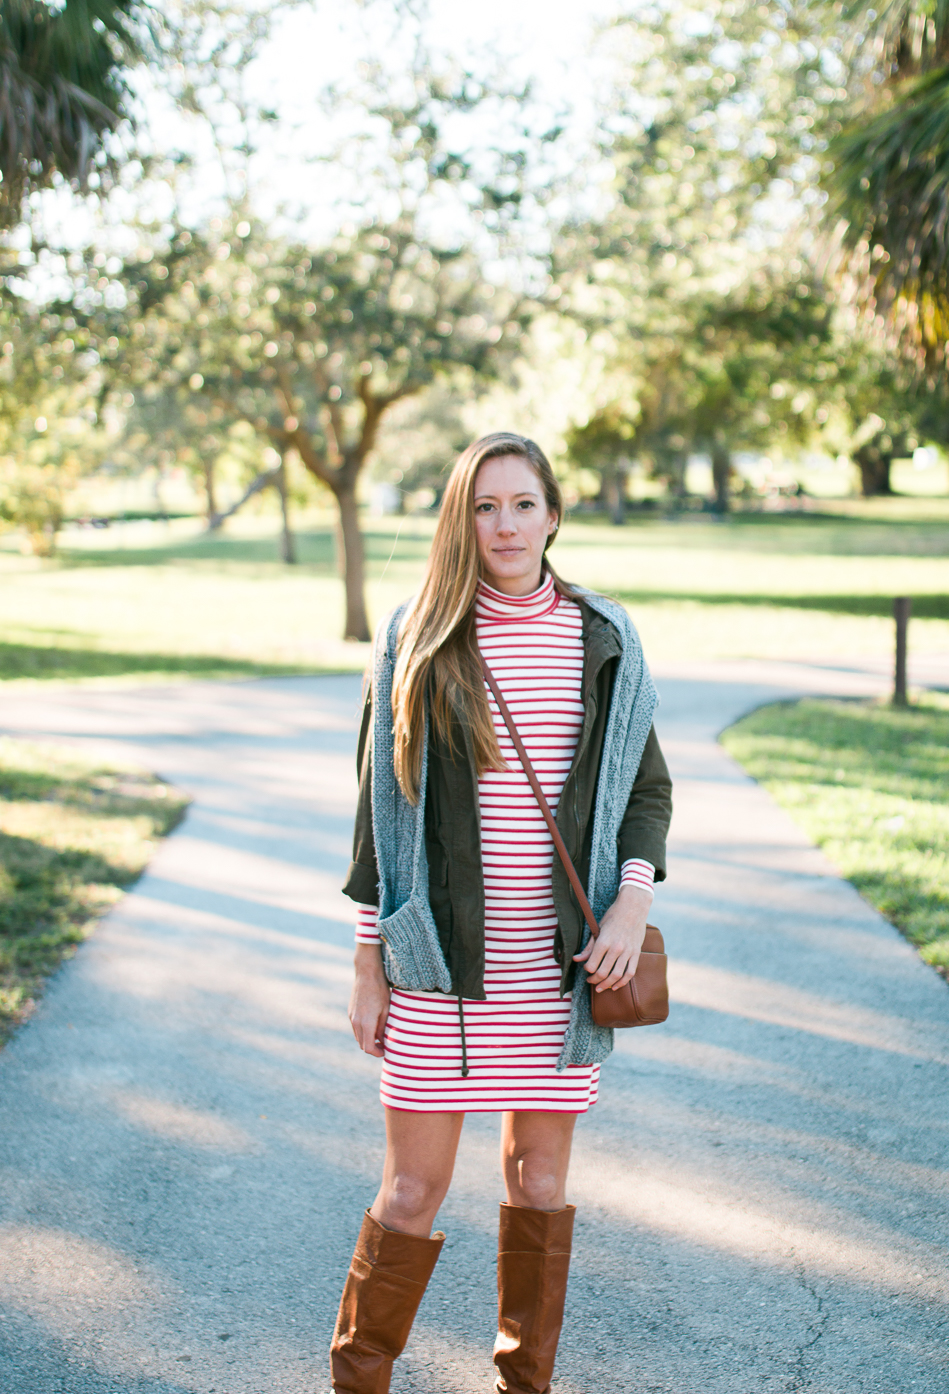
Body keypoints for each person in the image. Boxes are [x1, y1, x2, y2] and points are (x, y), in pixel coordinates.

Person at [331, 431, 672, 1394]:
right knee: (409, 1191)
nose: (506, 524)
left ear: (554, 514)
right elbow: (377, 814)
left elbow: (645, 789)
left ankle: (524, 1386)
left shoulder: (602, 637)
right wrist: (368, 963)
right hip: (436, 968)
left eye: (523, 503)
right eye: (485, 506)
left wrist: (628, 902)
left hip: (559, 970)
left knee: (541, 1184)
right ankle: (357, 1381)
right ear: (462, 520)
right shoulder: (419, 637)